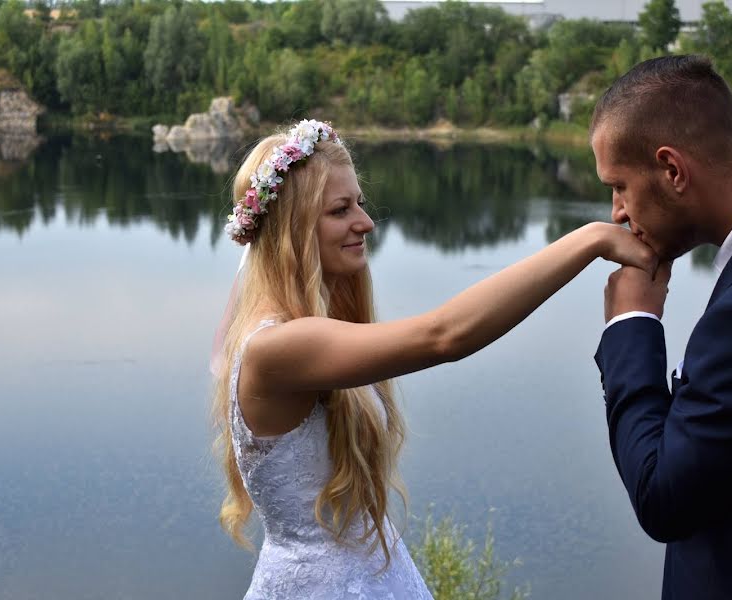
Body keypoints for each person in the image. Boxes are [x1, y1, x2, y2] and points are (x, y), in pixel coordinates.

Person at [212, 119, 654, 599]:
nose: (365, 221)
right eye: (341, 210)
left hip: (367, 576)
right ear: (292, 229)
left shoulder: (294, 334)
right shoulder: (276, 347)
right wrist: (591, 240)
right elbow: (444, 335)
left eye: (359, 202)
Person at [591, 55, 732, 600]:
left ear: (672, 170)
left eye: (619, 185)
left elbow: (664, 497)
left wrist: (631, 324)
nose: (617, 212)